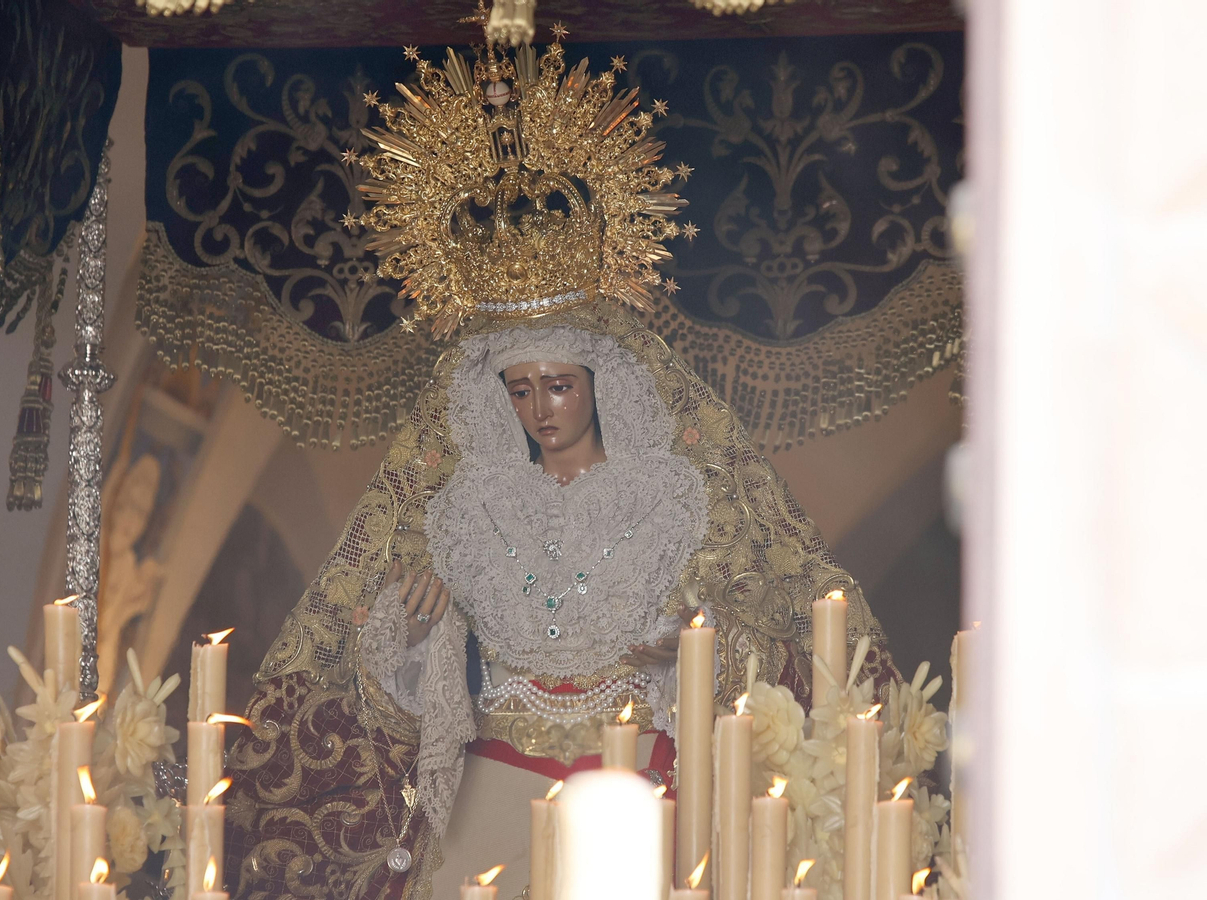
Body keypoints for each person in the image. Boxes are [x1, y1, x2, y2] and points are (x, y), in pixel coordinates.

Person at [219, 30, 896, 900]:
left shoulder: (674, 499)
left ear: (600, 383)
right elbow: (377, 690)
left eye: (559, 385)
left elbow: (777, 647)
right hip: (493, 781)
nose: (540, 408)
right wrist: (416, 637)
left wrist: (696, 650)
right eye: (519, 389)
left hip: (637, 782)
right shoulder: (466, 509)